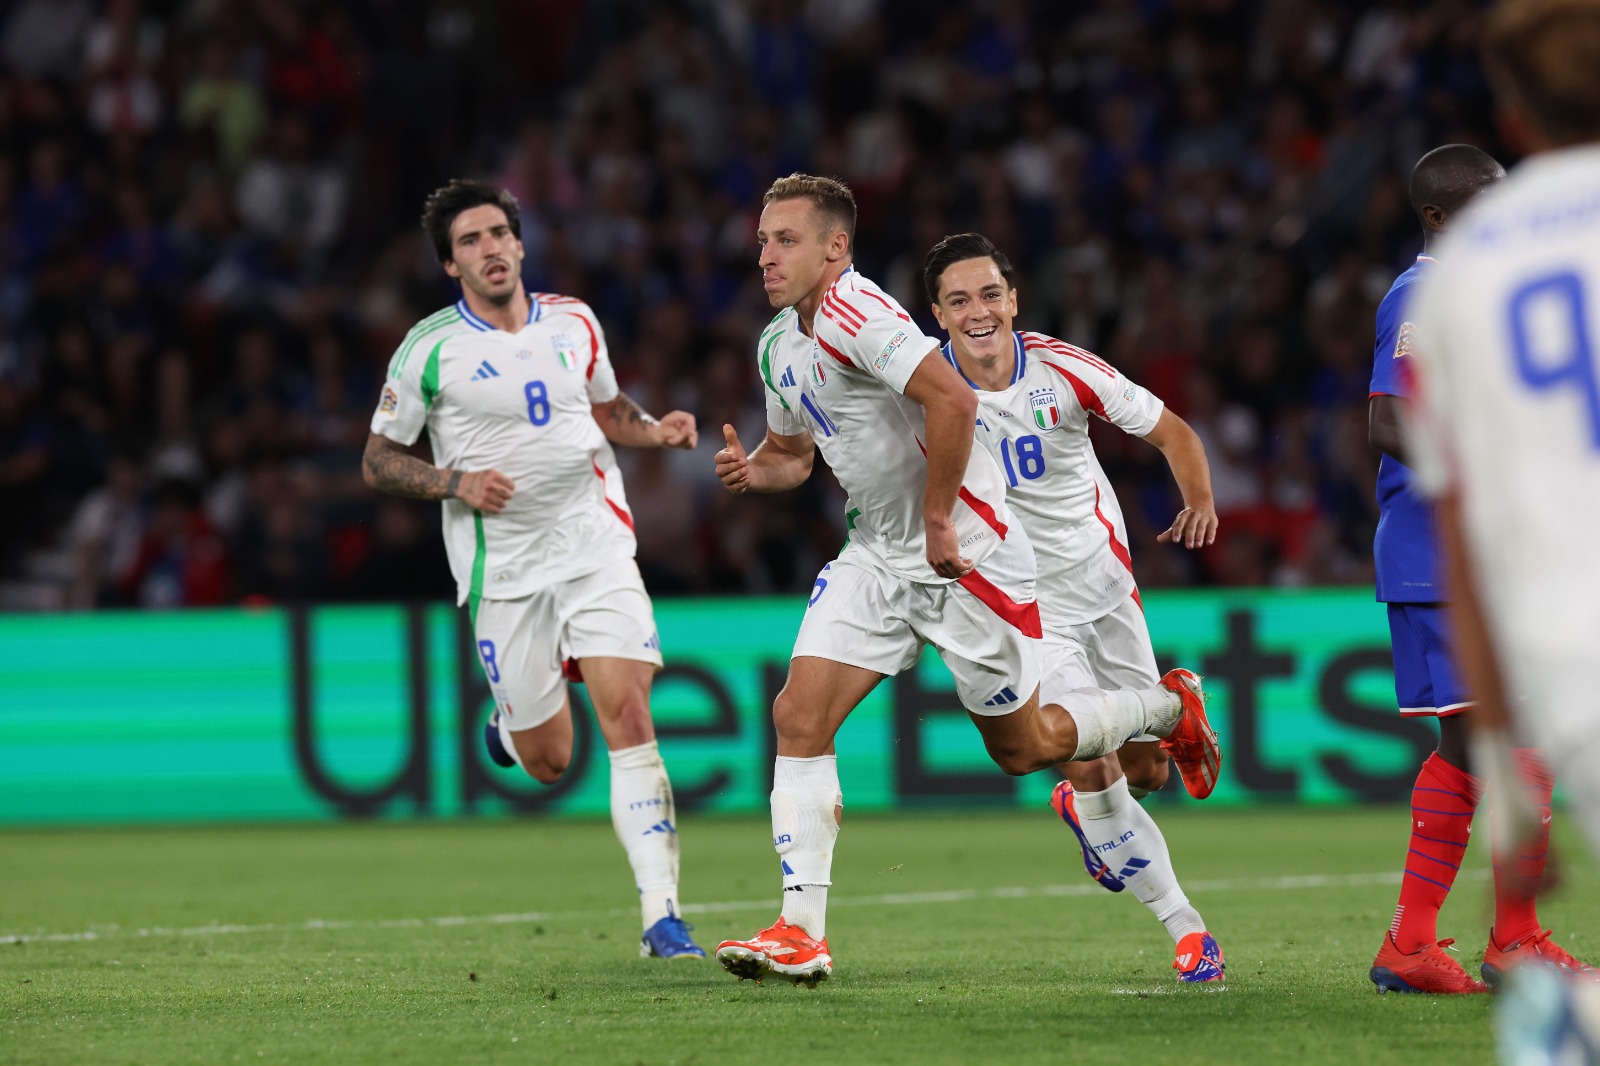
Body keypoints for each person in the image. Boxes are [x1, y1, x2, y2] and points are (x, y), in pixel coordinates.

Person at [711, 173, 1222, 986]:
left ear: (835, 248)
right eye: (763, 239)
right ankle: (801, 930)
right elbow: (794, 455)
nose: (765, 255)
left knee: (1031, 752)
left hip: (969, 556)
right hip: (878, 556)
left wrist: (943, 518)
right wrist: (753, 473)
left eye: (786, 240)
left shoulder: (861, 313)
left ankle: (1167, 707)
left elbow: (949, 397)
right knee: (798, 715)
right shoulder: (779, 345)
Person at [362, 178, 706, 960]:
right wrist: (455, 482)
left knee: (630, 719)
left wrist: (656, 432)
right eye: (469, 243)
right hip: (504, 571)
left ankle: (662, 917)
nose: (488, 250)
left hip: (594, 546)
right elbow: (378, 460)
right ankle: (510, 730)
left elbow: (608, 409)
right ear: (451, 266)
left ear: (520, 243)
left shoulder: (576, 321)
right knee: (550, 762)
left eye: (496, 235)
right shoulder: (430, 348)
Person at [923, 231, 1225, 983]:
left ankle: (1145, 736)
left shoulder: (1062, 368)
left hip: (1105, 587)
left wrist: (1200, 499)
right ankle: (1189, 932)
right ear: (938, 315)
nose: (978, 311)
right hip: (1027, 608)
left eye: (990, 294)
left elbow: (1172, 431)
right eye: (959, 300)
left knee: (1144, 772)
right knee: (1093, 765)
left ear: (1013, 299)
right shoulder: (923, 389)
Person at [1404, 0, 1600, 1050]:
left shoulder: (1462, 282)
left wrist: (1515, 818)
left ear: (1516, 121)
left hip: (1565, 650)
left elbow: (1463, 531)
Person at [1365, 143, 1593, 995]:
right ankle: (1503, 940)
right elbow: (1390, 422)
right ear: (1438, 215)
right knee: (1499, 736)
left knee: (1482, 741)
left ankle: (1431, 943)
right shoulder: (1420, 297)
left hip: (1477, 553)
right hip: (1436, 554)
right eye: (1486, 202)